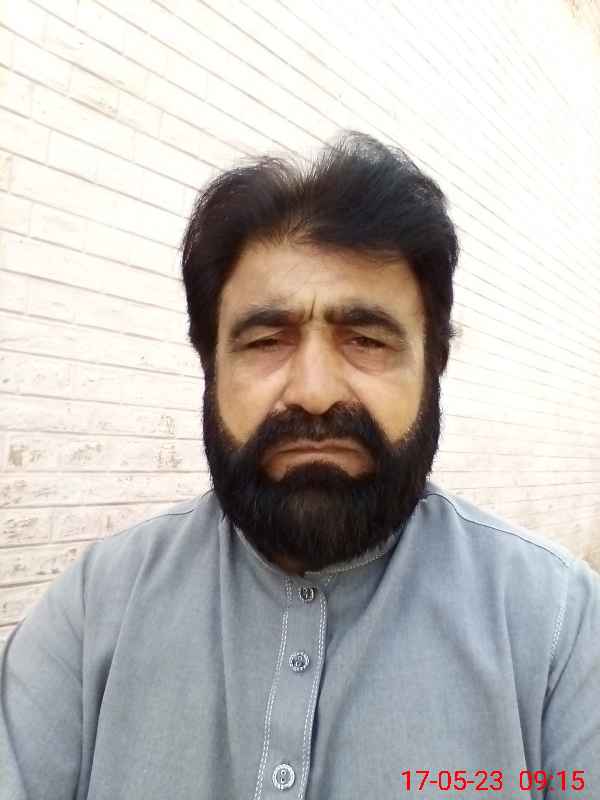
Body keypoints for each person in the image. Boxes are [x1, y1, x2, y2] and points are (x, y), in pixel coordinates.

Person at [1, 131, 598, 799]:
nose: (314, 392)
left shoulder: (559, 628)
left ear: (434, 365)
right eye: (266, 341)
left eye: (366, 340)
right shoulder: (95, 610)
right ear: (210, 365)